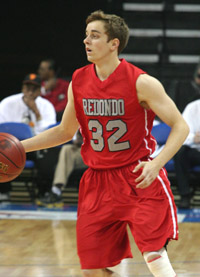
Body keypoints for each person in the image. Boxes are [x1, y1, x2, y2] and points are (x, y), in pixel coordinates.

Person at [21, 10, 189, 277]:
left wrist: (156, 164)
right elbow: (65, 131)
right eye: (86, 36)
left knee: (154, 256)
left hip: (138, 176)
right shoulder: (79, 80)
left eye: (95, 36)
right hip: (98, 183)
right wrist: (20, 148)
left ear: (114, 44)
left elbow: (181, 126)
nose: (86, 41)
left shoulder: (142, 82)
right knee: (93, 270)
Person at [0, 73, 57, 200]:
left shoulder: (46, 106)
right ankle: (3, 191)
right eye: (27, 88)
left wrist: (37, 113)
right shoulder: (7, 103)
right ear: (22, 88)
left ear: (39, 91)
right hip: (10, 147)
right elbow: (1, 129)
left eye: (34, 88)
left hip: (36, 145)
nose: (30, 92)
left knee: (49, 153)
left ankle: (43, 193)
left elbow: (50, 133)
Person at [37, 130, 88, 207]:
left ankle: (56, 191)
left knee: (67, 155)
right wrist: (78, 140)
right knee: (66, 149)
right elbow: (77, 136)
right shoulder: (79, 121)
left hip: (94, 153)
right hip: (81, 150)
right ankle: (56, 191)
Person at [174, 99, 200, 209]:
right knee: (180, 153)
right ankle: (185, 195)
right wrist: (193, 138)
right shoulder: (192, 107)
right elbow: (182, 132)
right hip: (196, 151)